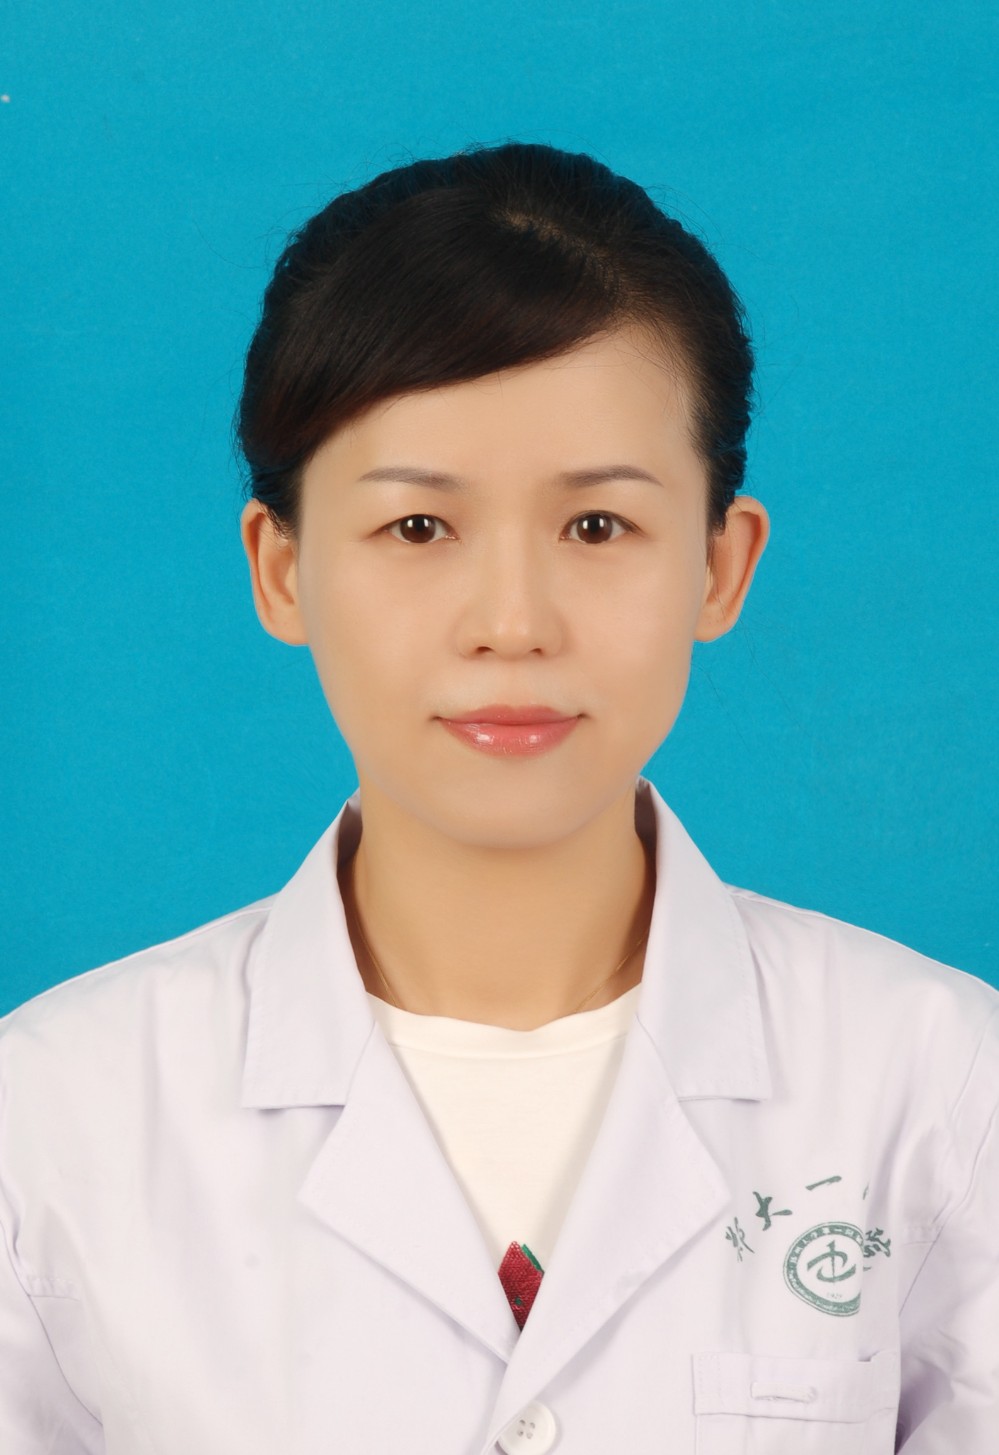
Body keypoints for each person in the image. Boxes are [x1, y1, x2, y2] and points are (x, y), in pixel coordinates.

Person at [0, 141, 995, 1455]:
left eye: (597, 527)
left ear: (720, 563)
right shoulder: (50, 1118)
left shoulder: (944, 1089)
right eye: (418, 528)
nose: (513, 622)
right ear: (282, 569)